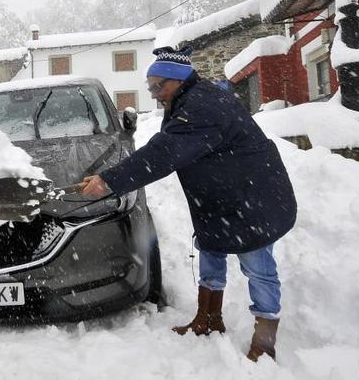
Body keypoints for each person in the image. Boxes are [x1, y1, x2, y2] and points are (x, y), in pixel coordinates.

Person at [80, 46, 297, 362]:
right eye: (150, 87)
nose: (154, 94)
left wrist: (109, 180)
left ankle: (264, 342)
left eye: (158, 86)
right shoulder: (185, 98)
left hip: (251, 198)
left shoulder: (202, 107)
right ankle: (208, 318)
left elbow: (163, 153)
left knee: (258, 267)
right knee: (211, 251)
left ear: (178, 80)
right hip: (219, 197)